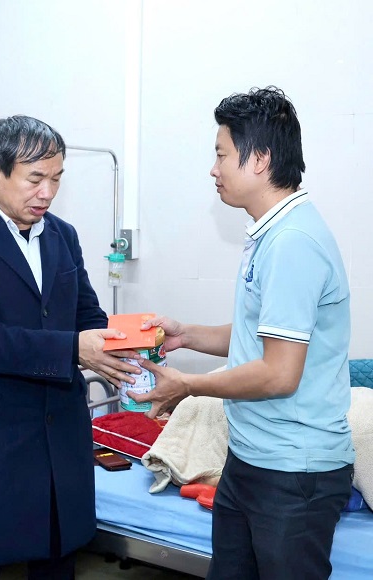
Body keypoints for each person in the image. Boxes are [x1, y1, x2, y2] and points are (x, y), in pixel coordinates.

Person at [131, 87, 355, 579]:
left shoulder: (292, 242)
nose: (213, 169)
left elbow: (279, 373)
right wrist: (186, 335)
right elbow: (265, 336)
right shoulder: (272, 232)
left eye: (221, 155)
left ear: (259, 159)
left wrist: (188, 385)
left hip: (293, 472)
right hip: (252, 459)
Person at [0, 114, 140, 579]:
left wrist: (130, 344)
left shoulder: (62, 235)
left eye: (57, 178)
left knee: (58, 563)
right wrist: (72, 350)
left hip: (61, 436)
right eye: (36, 178)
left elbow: (87, 315)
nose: (47, 192)